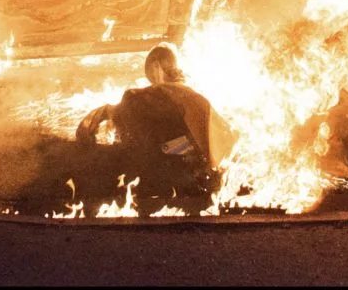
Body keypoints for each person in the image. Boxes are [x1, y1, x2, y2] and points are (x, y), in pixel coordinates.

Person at [72, 43, 232, 212]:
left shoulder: (143, 97)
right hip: (198, 181)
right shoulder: (199, 99)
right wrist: (179, 148)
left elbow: (128, 123)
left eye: (151, 76)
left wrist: (104, 113)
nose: (152, 83)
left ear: (156, 66)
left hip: (162, 178)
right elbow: (222, 139)